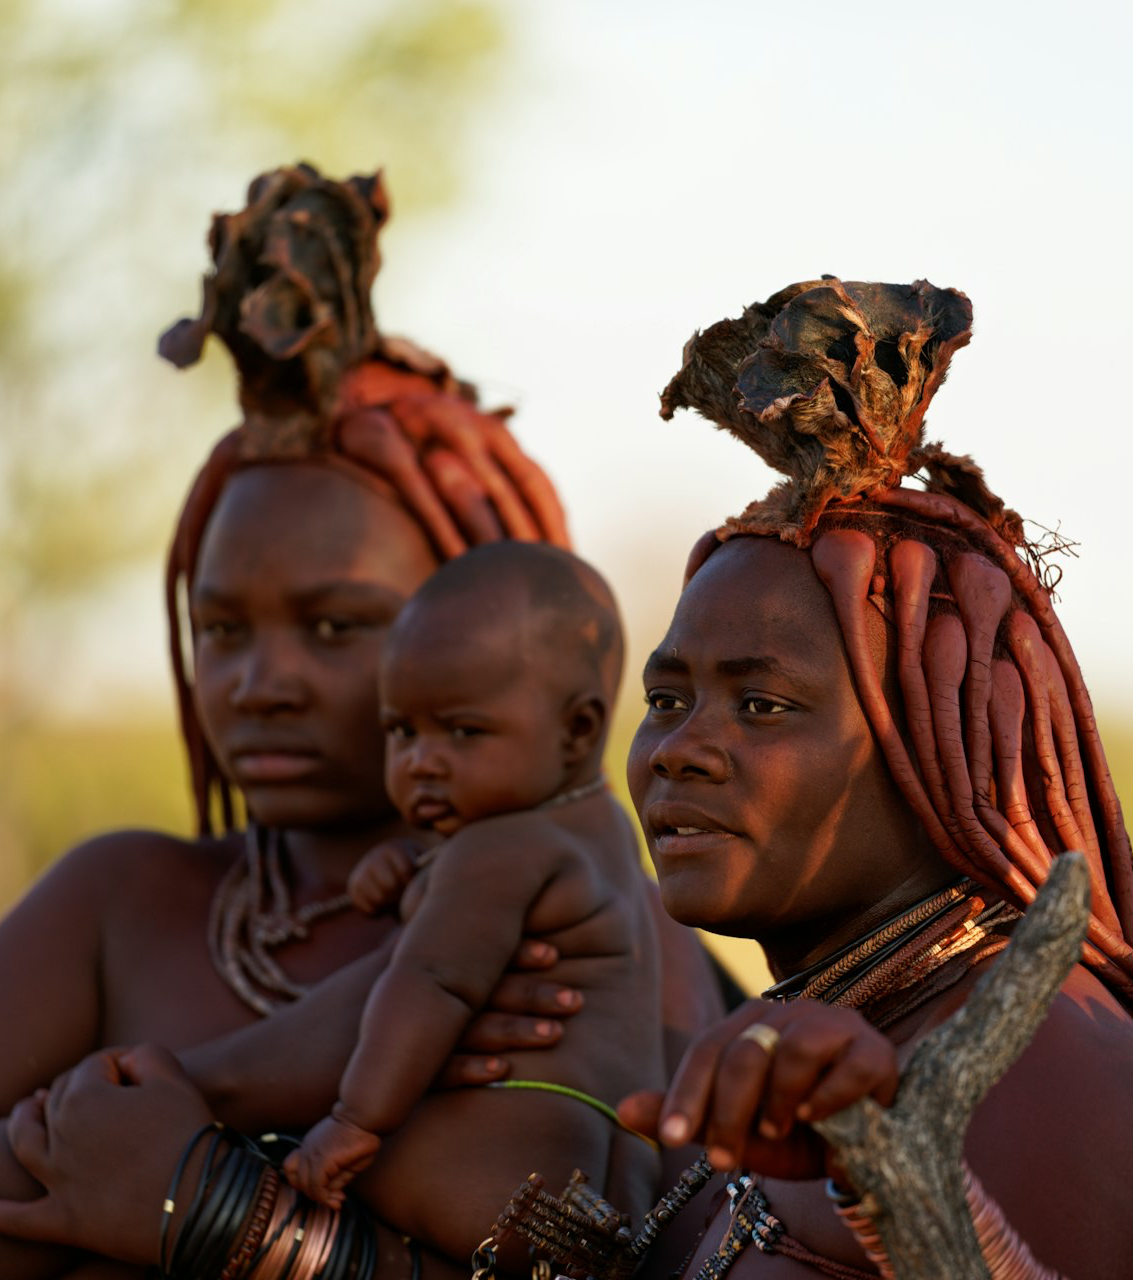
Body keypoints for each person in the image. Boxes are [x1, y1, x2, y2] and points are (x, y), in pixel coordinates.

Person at [0, 165, 722, 1279]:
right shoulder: (115, 902)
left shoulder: (609, 931)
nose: (260, 681)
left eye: (339, 629)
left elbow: (616, 1253)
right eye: (221, 629)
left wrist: (211, 1204)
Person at [608, 278, 1133, 1277]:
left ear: (937, 753)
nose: (677, 747)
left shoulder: (1031, 1056)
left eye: (760, 704)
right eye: (666, 697)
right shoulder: (822, 1033)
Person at [284, 541, 664, 1214]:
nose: (422, 763)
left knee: (249, 1165)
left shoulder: (498, 847)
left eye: (461, 732)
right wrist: (417, 873)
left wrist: (353, 1120)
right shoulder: (598, 825)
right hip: (617, 1167)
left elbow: (430, 980)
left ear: (577, 731)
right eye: (401, 732)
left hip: (517, 1163)